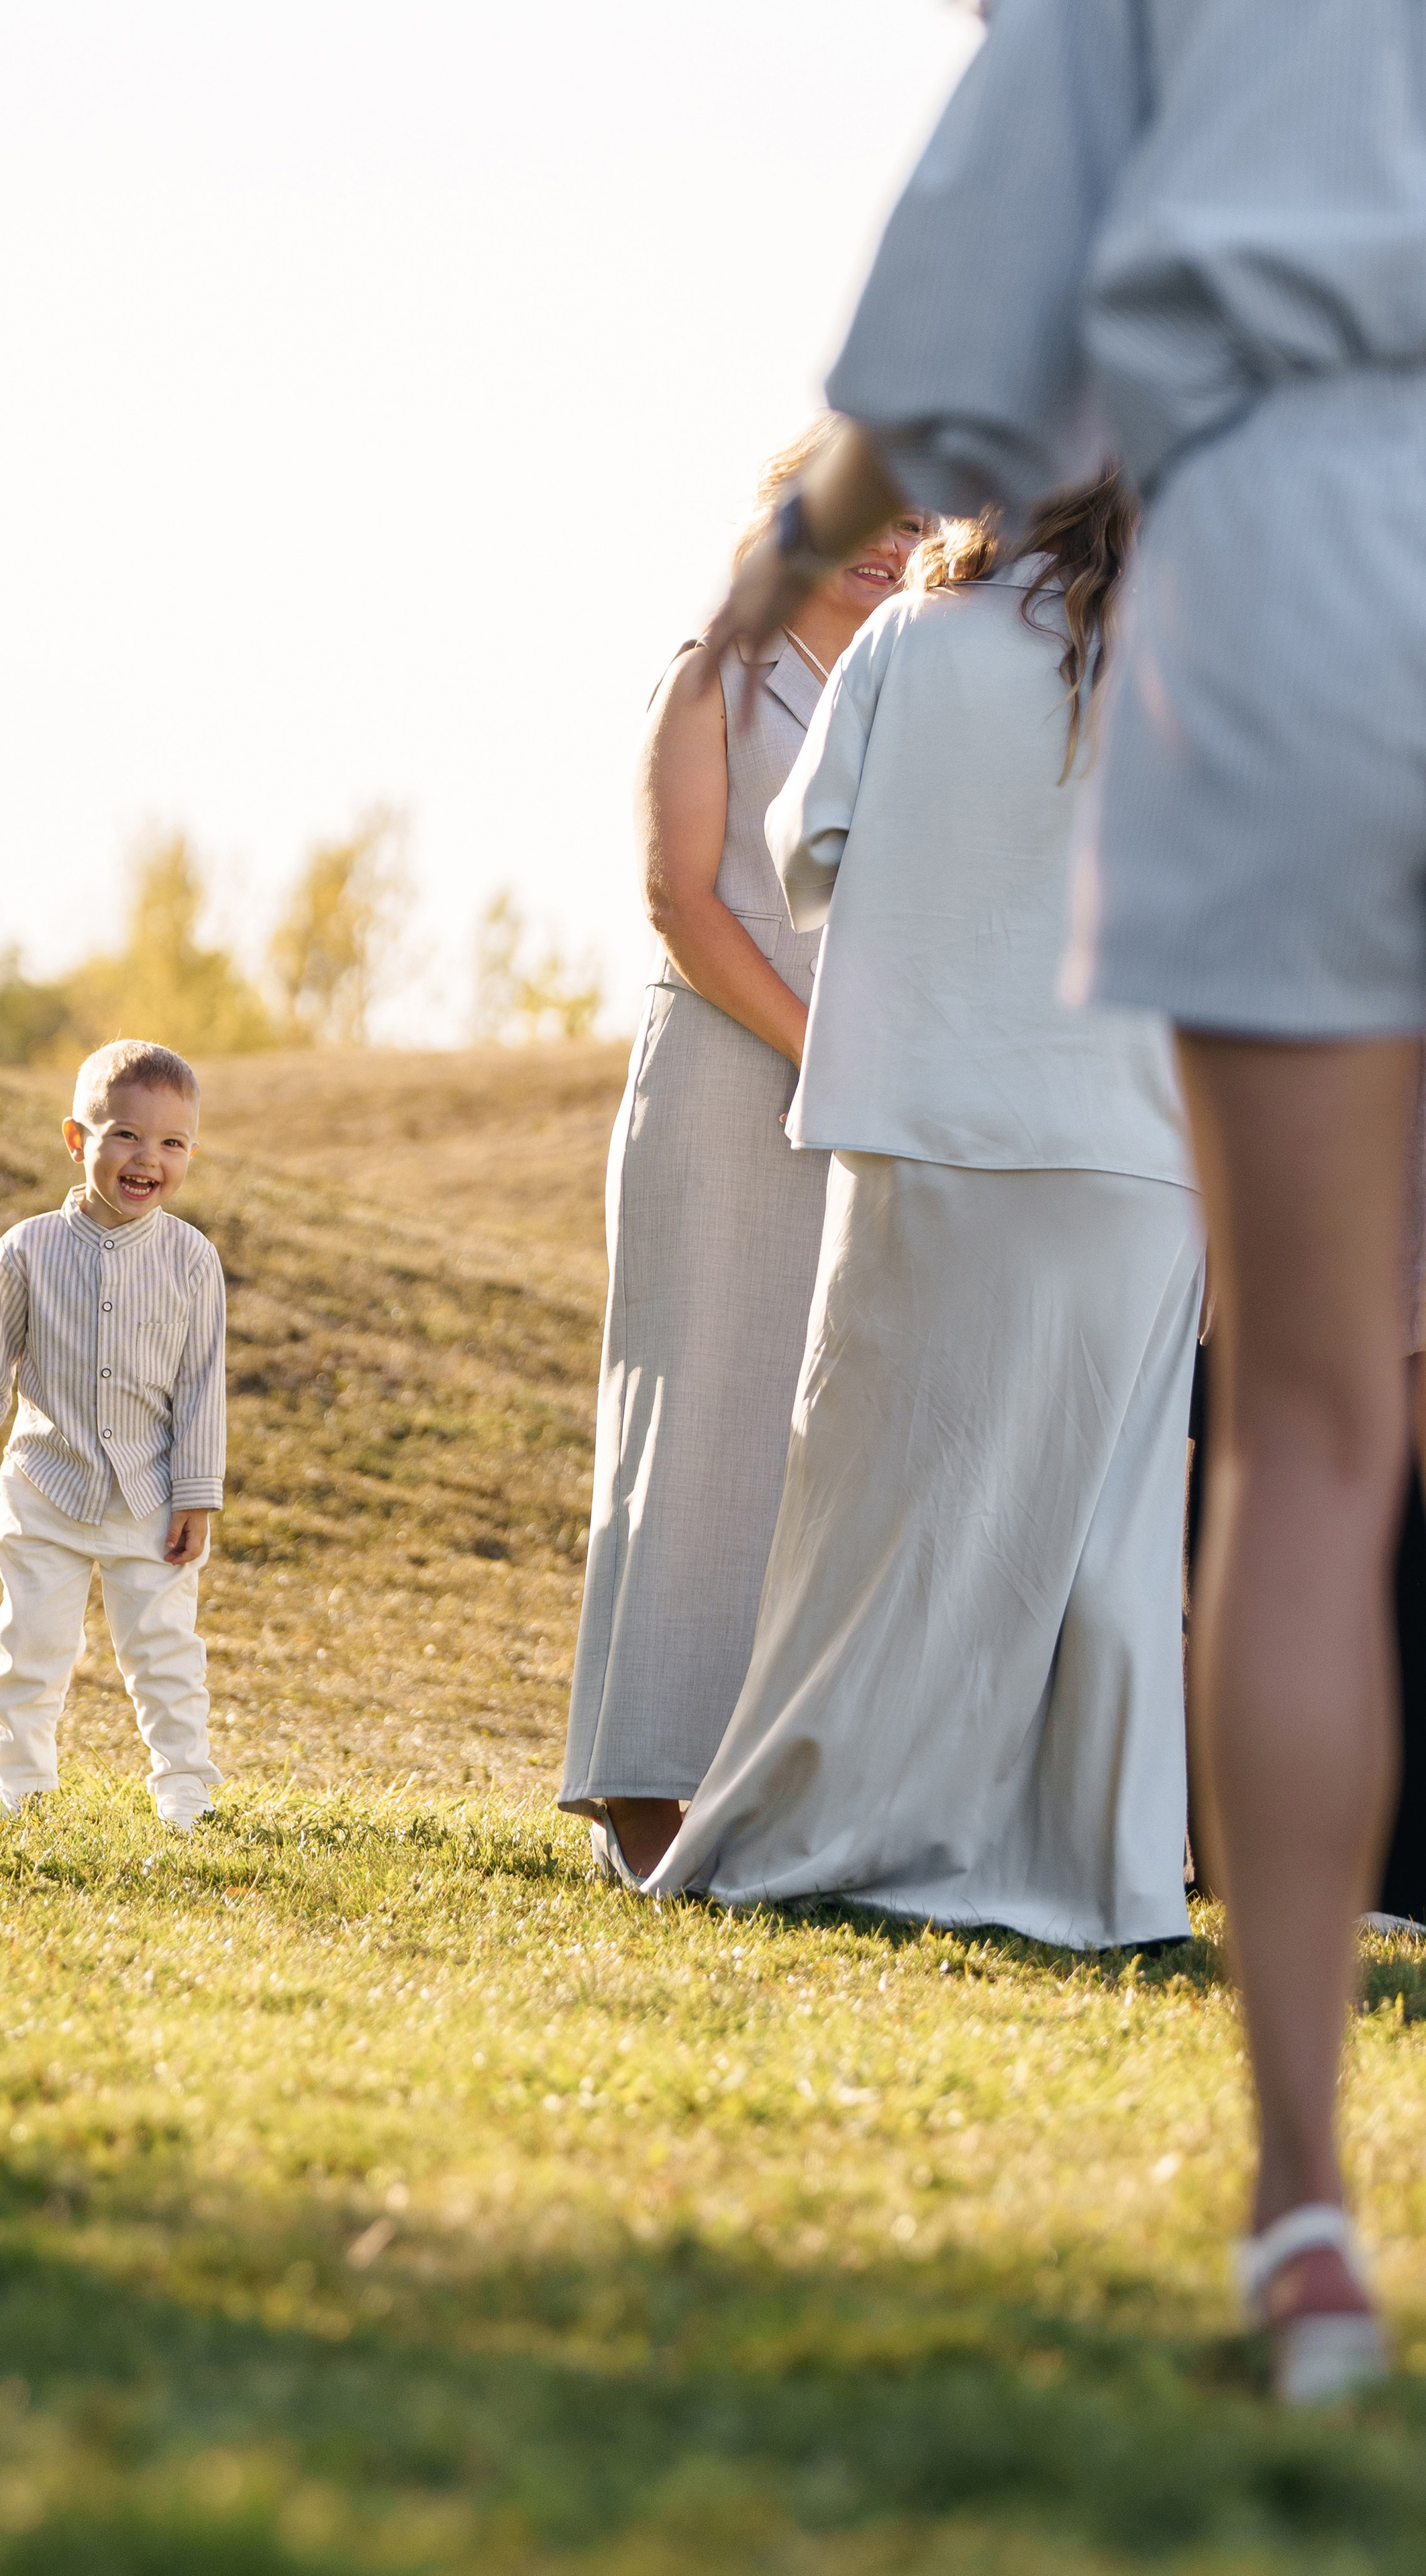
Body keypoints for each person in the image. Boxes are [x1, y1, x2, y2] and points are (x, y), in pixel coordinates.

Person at [691, 0, 1420, 2404]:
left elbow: (951, 318)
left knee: (1306, 1436)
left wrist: (790, 543)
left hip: (1287, 568)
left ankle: (1302, 2213)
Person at [650, 474, 1201, 1947]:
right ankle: (1099, 1876)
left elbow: (806, 849)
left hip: (927, 1118)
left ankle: (835, 1822)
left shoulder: (914, 634)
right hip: (1138, 1140)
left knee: (879, 1507)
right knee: (1108, 1522)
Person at [558, 421, 921, 1882]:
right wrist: (820, 1052)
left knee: (814, 1449)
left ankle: (773, 1797)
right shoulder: (713, 670)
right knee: (696, 1422)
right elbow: (681, 901)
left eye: (919, 525)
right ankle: (646, 1796)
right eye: (869, 514)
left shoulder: (910, 689)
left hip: (866, 1097)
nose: (894, 545)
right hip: (725, 1078)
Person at [0, 1039, 227, 1833]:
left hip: (149, 1499)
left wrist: (196, 1496)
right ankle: (18, 1787)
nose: (148, 1158)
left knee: (165, 1655)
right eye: (126, 1134)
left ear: (190, 1153)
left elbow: (202, 1390)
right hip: (44, 1490)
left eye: (172, 1142)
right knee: (30, 1648)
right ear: (75, 1138)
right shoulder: (27, 1249)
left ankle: (186, 1793)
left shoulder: (193, 1261)